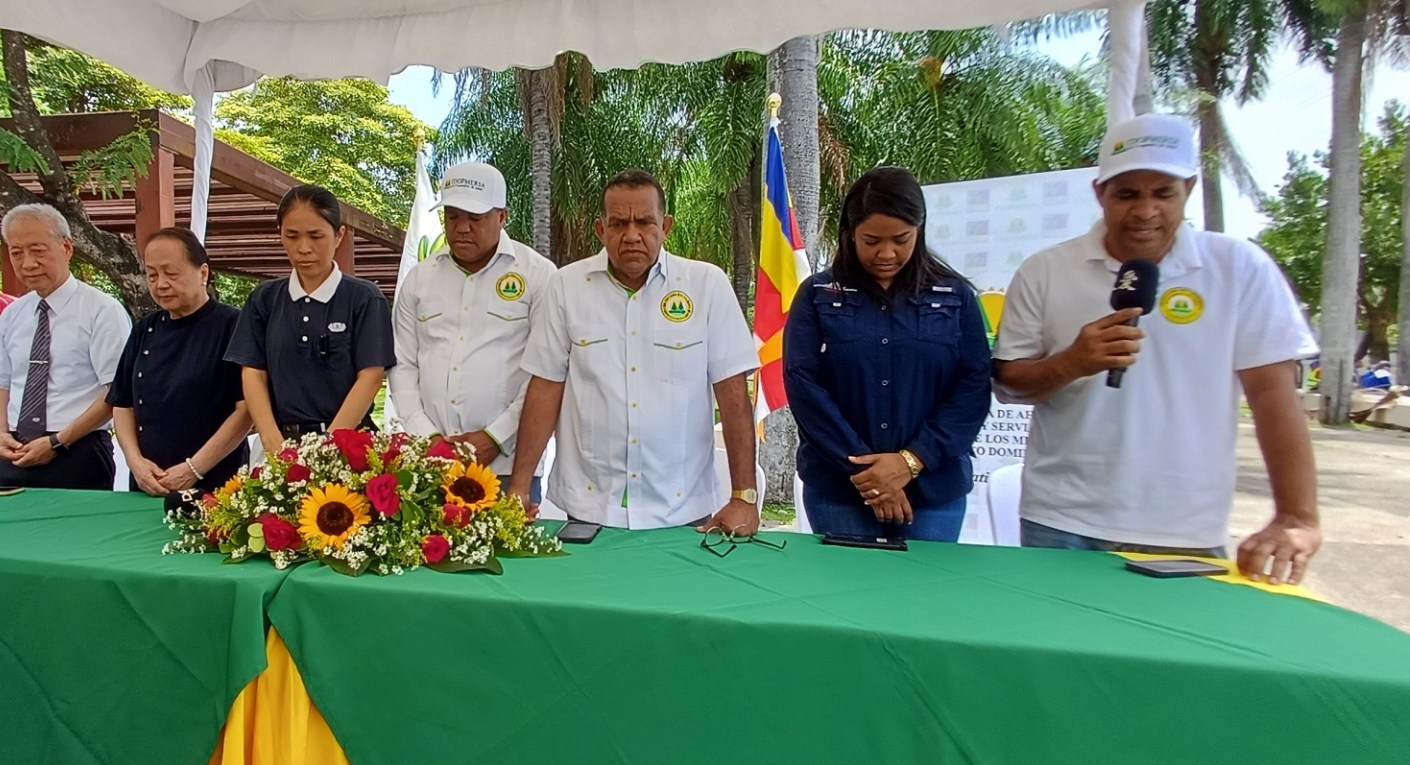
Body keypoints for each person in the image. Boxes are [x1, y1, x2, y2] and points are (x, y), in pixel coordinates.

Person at [992, 113, 1322, 584]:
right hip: (1061, 520)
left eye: (1163, 193)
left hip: (1184, 528)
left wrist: (1296, 517)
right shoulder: (1045, 270)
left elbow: (1272, 394)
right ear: (1100, 193)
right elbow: (1009, 383)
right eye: (1127, 194)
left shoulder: (1240, 267)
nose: (1145, 211)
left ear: (1188, 189)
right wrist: (1072, 363)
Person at [507, 170, 760, 533]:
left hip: (682, 510)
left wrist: (744, 497)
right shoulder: (566, 287)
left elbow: (732, 394)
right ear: (601, 229)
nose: (631, 235)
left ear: (665, 226)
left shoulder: (707, 286)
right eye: (618, 224)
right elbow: (546, 387)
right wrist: (519, 486)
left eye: (644, 222)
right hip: (590, 509)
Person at [785, 167, 991, 541]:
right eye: (872, 240)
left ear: (919, 230)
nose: (886, 253)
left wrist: (911, 461)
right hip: (841, 492)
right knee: (847, 582)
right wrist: (871, 475)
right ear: (850, 234)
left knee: (925, 583)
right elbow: (804, 385)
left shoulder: (955, 297)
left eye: (901, 239)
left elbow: (973, 386)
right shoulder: (818, 295)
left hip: (934, 492)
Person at [390, 163, 557, 492]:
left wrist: (495, 437)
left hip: (508, 466)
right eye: (452, 216)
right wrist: (428, 437)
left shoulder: (539, 276)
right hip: (431, 464)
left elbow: (544, 374)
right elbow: (402, 365)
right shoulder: (419, 279)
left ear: (502, 216)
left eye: (475, 218)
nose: (462, 228)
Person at [226, 185, 394, 451]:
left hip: (348, 446)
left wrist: (328, 444)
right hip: (279, 446)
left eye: (316, 236)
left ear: (339, 235)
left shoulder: (364, 298)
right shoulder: (264, 299)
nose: (304, 248)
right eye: (292, 236)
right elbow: (253, 372)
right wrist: (271, 440)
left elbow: (371, 377)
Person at [0, 203, 133, 490]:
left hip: (78, 449)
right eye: (16, 253)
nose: (28, 263)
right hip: (15, 450)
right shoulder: (13, 314)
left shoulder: (102, 310)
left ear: (66, 248)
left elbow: (116, 390)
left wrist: (57, 442)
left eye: (38, 251)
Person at [109, 228, 252, 495]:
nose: (161, 284)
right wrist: (135, 462)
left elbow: (246, 410)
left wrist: (193, 469)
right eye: (152, 275)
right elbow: (122, 403)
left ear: (203, 273)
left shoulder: (234, 326)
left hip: (215, 483)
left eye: (171, 274)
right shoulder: (145, 330)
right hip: (149, 481)